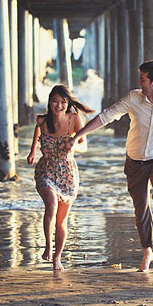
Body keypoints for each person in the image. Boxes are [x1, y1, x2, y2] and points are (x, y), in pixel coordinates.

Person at [65, 60, 153, 272]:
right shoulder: (133, 98)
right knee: (140, 206)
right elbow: (104, 117)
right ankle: (148, 250)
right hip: (134, 161)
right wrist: (77, 136)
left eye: (143, 79)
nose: (139, 82)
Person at [27, 84, 93, 271]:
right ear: (49, 102)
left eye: (63, 102)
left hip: (67, 173)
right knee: (51, 205)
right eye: (55, 101)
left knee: (61, 221)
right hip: (46, 169)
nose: (59, 105)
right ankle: (48, 246)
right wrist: (32, 152)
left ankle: (57, 257)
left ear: (68, 104)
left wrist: (73, 146)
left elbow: (83, 146)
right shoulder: (42, 121)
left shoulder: (74, 119)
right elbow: (37, 133)